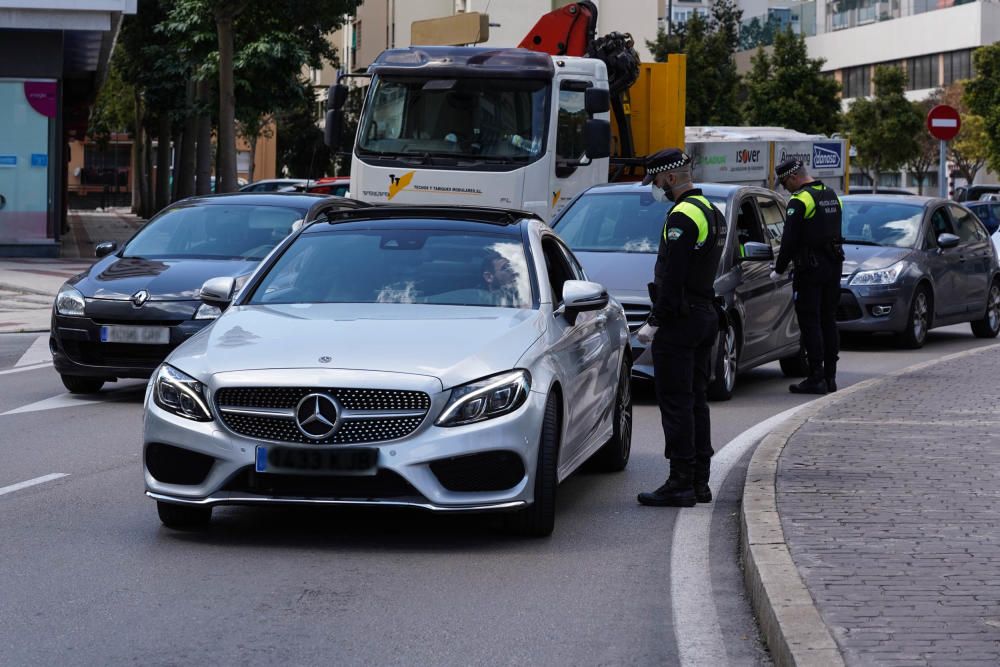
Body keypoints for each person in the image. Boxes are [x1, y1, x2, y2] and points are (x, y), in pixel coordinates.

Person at [635, 148, 726, 507]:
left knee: (676, 403)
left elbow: (674, 276)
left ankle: (680, 482)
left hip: (681, 321)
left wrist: (655, 320)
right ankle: (700, 481)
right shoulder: (712, 211)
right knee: (696, 400)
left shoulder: (682, 215)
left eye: (657, 180)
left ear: (671, 178)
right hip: (705, 315)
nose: (655, 186)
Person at [770, 159, 844, 394]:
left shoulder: (800, 200)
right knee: (828, 320)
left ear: (794, 177)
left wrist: (778, 269)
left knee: (810, 323)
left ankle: (816, 377)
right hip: (833, 266)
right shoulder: (831, 195)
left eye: (784, 183)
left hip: (810, 271)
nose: (785, 188)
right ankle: (830, 377)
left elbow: (789, 240)